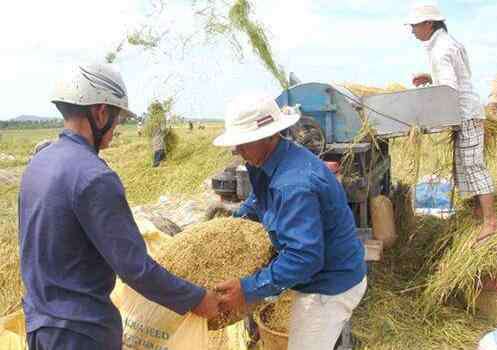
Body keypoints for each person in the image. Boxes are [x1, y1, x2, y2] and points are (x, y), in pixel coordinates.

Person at [18, 63, 219, 350]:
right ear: (100, 112)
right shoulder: (94, 176)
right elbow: (136, 268)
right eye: (117, 119)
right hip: (80, 333)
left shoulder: (39, 164)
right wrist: (197, 299)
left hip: (39, 326)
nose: (117, 129)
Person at [212, 95, 367, 350]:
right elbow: (260, 198)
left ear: (269, 136)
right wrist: (234, 224)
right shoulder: (276, 159)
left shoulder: (294, 184)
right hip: (322, 270)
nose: (237, 151)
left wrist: (248, 288)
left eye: (242, 142)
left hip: (329, 285)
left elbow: (304, 258)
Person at [407, 3, 496, 246]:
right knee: (463, 168)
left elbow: (449, 90)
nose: (412, 31)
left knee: (473, 166)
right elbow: (455, 77)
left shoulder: (441, 49)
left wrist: (432, 117)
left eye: (415, 26)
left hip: (466, 115)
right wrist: (430, 78)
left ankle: (490, 222)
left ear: (429, 24)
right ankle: (478, 216)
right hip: (464, 114)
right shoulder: (447, 43)